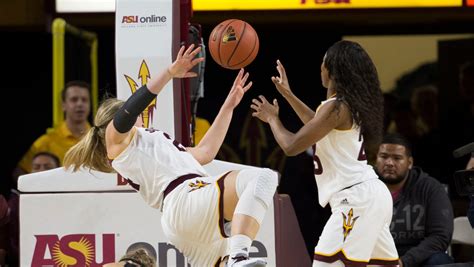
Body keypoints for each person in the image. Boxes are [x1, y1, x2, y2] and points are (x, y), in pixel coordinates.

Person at [64, 44, 278, 267]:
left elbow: (206, 152)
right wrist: (169, 73)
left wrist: (228, 106)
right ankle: (239, 255)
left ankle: (235, 258)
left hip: (185, 218)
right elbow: (131, 110)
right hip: (185, 199)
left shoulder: (150, 144)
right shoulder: (117, 141)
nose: (141, 114)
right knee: (262, 178)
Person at [251, 40, 398, 266]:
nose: (320, 67)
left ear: (331, 69)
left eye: (323, 63)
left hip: (354, 200)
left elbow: (291, 146)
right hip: (371, 196)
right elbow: (316, 125)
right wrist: (288, 94)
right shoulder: (343, 105)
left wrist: (272, 119)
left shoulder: (336, 107)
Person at [375, 133, 454, 267]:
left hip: (417, 257)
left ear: (410, 163)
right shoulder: (365, 187)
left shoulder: (430, 188)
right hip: (375, 256)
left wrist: (403, 262)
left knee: (440, 261)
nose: (389, 163)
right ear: (376, 159)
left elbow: (440, 236)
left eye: (397, 158)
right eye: (384, 156)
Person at [17, 80, 91, 174]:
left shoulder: (102, 139)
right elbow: (21, 172)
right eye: (74, 99)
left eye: (84, 100)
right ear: (63, 105)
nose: (80, 104)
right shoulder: (46, 142)